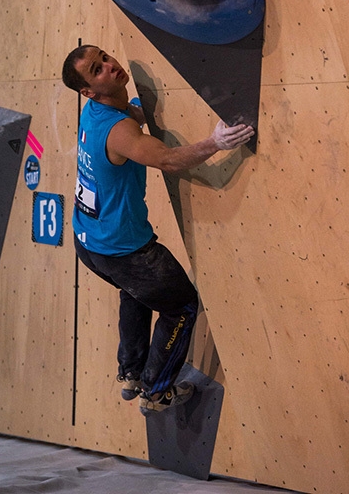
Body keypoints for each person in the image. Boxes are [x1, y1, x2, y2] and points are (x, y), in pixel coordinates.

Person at [62, 44, 254, 415]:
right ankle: (156, 390)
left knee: (134, 292)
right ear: (88, 91)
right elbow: (166, 160)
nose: (110, 66)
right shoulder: (118, 131)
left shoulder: (96, 113)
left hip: (88, 242)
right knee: (180, 305)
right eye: (97, 70)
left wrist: (133, 110)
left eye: (104, 57)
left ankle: (131, 371)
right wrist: (215, 142)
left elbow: (123, 117)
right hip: (124, 250)